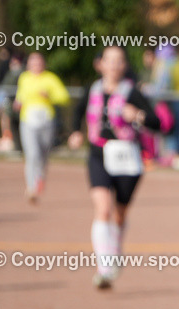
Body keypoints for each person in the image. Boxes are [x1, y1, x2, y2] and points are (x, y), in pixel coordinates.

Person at [68, 46, 163, 289]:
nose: (113, 65)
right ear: (100, 64)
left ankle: (116, 247)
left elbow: (157, 123)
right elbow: (78, 111)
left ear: (124, 66)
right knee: (103, 209)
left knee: (119, 214)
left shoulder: (132, 92)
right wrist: (75, 132)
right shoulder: (93, 89)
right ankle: (105, 268)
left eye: (118, 61)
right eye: (108, 60)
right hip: (98, 154)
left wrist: (137, 115)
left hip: (126, 157)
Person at [14, 52, 71, 202]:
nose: (36, 65)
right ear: (28, 64)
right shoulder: (24, 78)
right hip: (28, 121)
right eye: (33, 63)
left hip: (46, 122)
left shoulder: (50, 78)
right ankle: (31, 187)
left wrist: (50, 96)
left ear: (44, 64)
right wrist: (18, 102)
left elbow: (64, 97)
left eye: (39, 63)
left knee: (43, 154)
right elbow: (21, 95)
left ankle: (40, 178)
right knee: (32, 153)